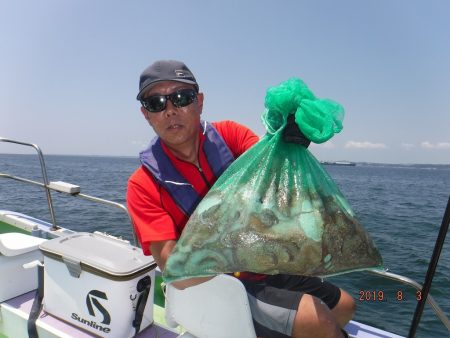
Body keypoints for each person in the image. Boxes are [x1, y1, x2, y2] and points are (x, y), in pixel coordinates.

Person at [127, 59, 355, 338]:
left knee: (344, 306)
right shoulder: (143, 184)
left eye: (181, 98)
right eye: (156, 103)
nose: (171, 110)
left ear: (199, 102)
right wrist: (236, 251)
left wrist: (288, 139)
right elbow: (173, 267)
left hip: (262, 266)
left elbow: (273, 166)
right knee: (315, 318)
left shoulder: (230, 136)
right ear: (146, 114)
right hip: (213, 286)